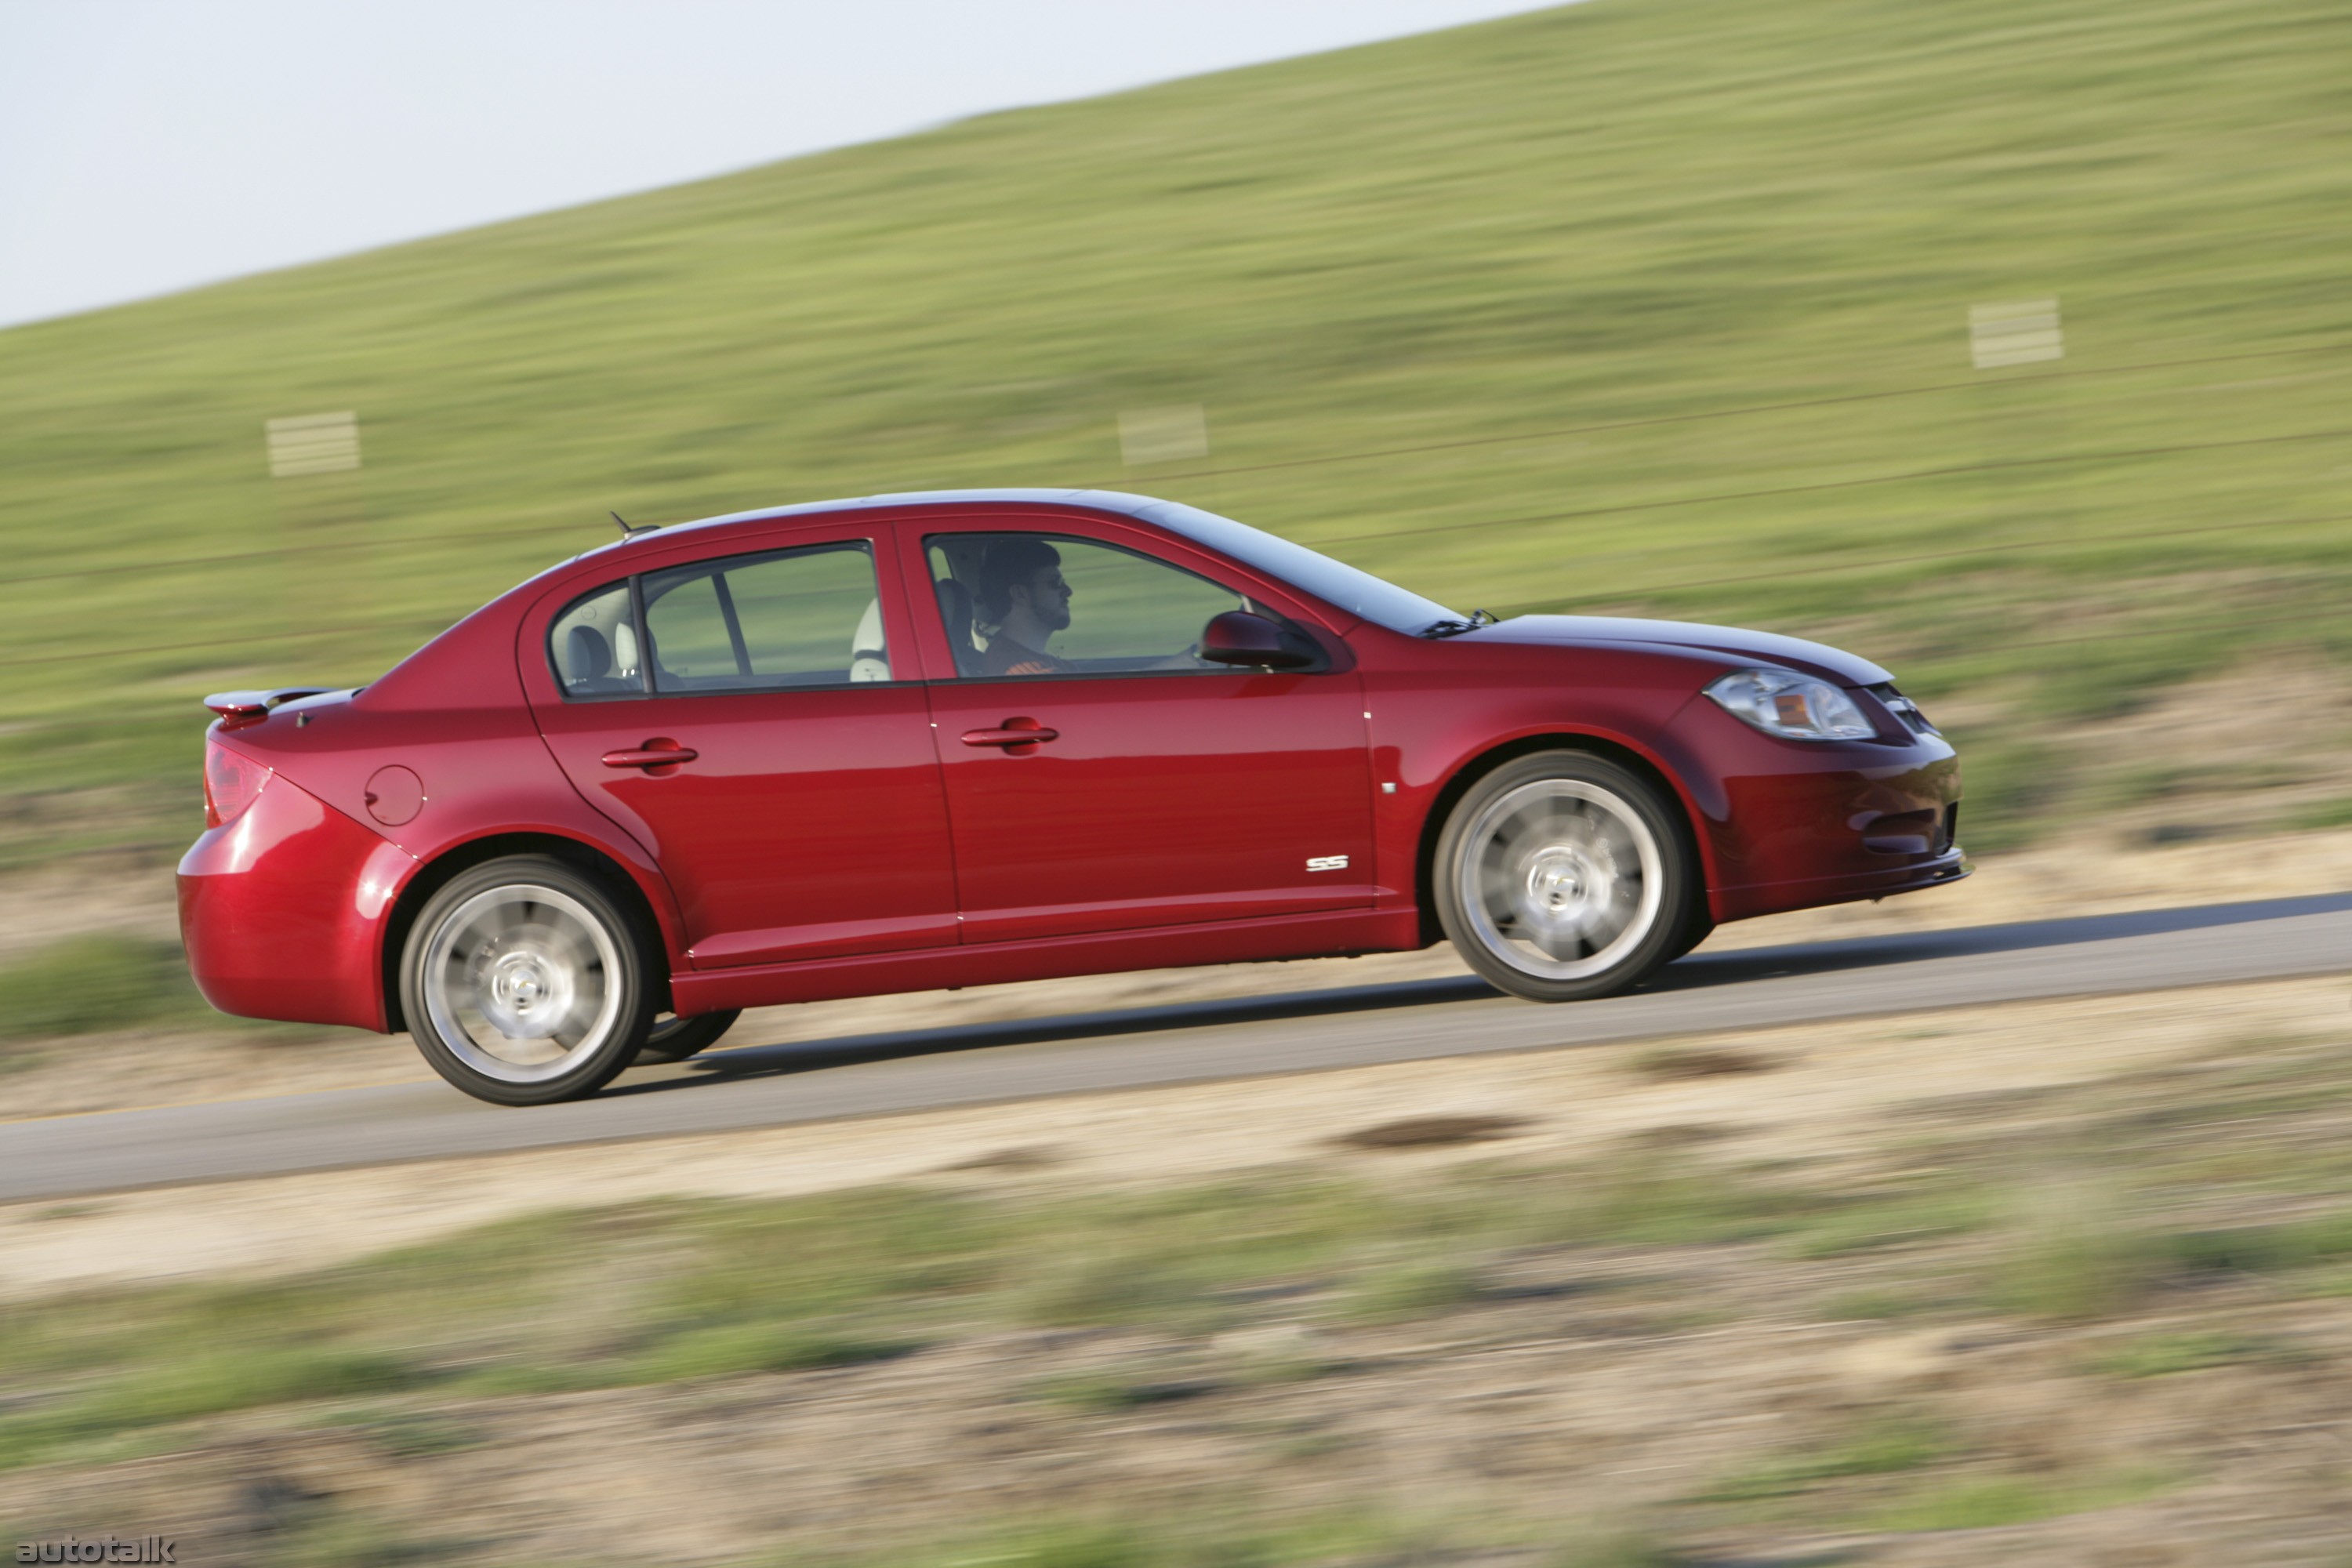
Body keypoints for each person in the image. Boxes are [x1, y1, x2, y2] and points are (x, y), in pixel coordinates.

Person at [974, 538, 1076, 677]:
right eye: (1055, 583)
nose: (1068, 591)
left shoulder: (1040, 663)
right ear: (1020, 594)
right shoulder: (1028, 674)